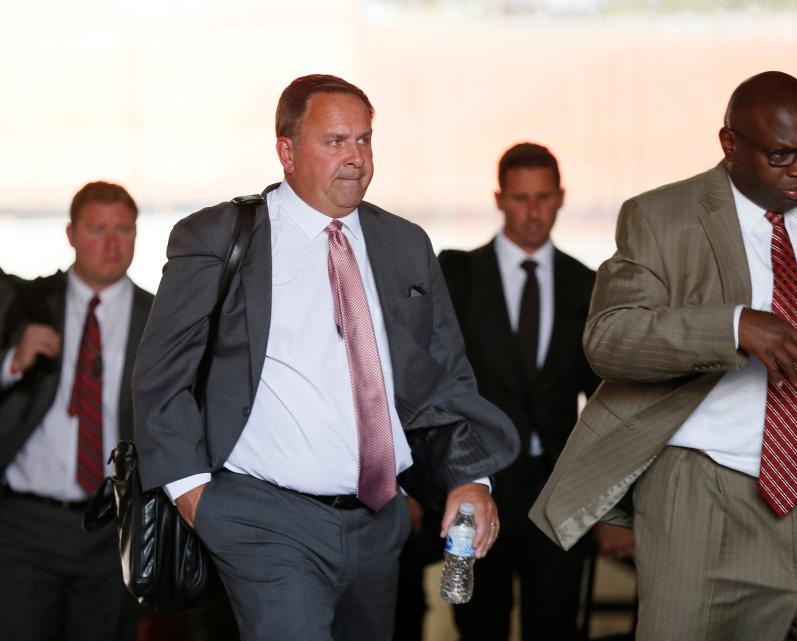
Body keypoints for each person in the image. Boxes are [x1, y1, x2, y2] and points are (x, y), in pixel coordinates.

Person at [530, 70, 797, 640]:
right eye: (780, 155)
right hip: (709, 502)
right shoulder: (662, 218)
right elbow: (610, 338)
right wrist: (732, 327)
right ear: (729, 145)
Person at [132, 74, 519, 641]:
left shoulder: (404, 245)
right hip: (263, 521)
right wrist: (197, 500)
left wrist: (470, 480)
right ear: (286, 151)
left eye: (364, 140)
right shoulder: (219, 236)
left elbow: (442, 375)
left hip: (378, 525)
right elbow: (161, 377)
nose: (356, 158)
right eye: (335, 141)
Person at [431, 142, 600, 641]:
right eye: (521, 198)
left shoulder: (586, 284)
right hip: (478, 484)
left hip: (558, 491)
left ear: (561, 197)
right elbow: (435, 385)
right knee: (479, 624)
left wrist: (609, 506)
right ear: (500, 198)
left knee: (556, 625)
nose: (533, 211)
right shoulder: (458, 276)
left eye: (544, 197)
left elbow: (606, 399)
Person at [0, 181, 150, 641]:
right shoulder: (24, 301)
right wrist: (10, 362)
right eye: (98, 229)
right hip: (22, 525)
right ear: (71, 234)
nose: (112, 244)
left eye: (124, 229)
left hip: (114, 530)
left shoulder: (158, 317)